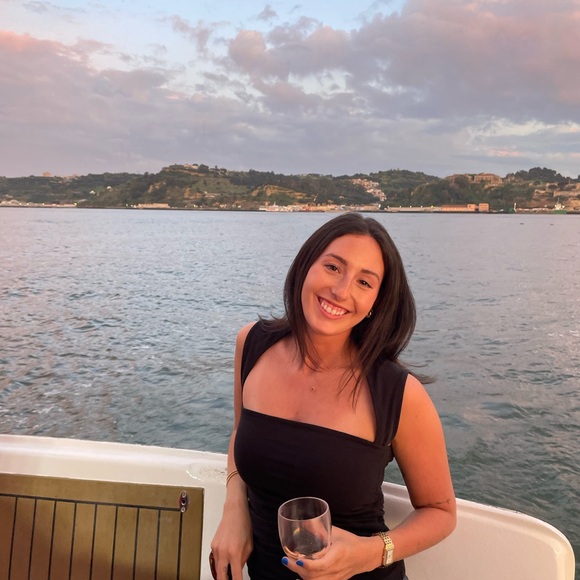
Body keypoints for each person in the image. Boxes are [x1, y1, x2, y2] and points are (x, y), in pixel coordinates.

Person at [210, 212, 456, 579]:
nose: (341, 291)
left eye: (364, 282)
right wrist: (234, 508)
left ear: (375, 303)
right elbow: (240, 431)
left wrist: (370, 553)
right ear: (306, 266)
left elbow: (440, 511)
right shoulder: (252, 345)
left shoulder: (397, 393)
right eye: (333, 267)